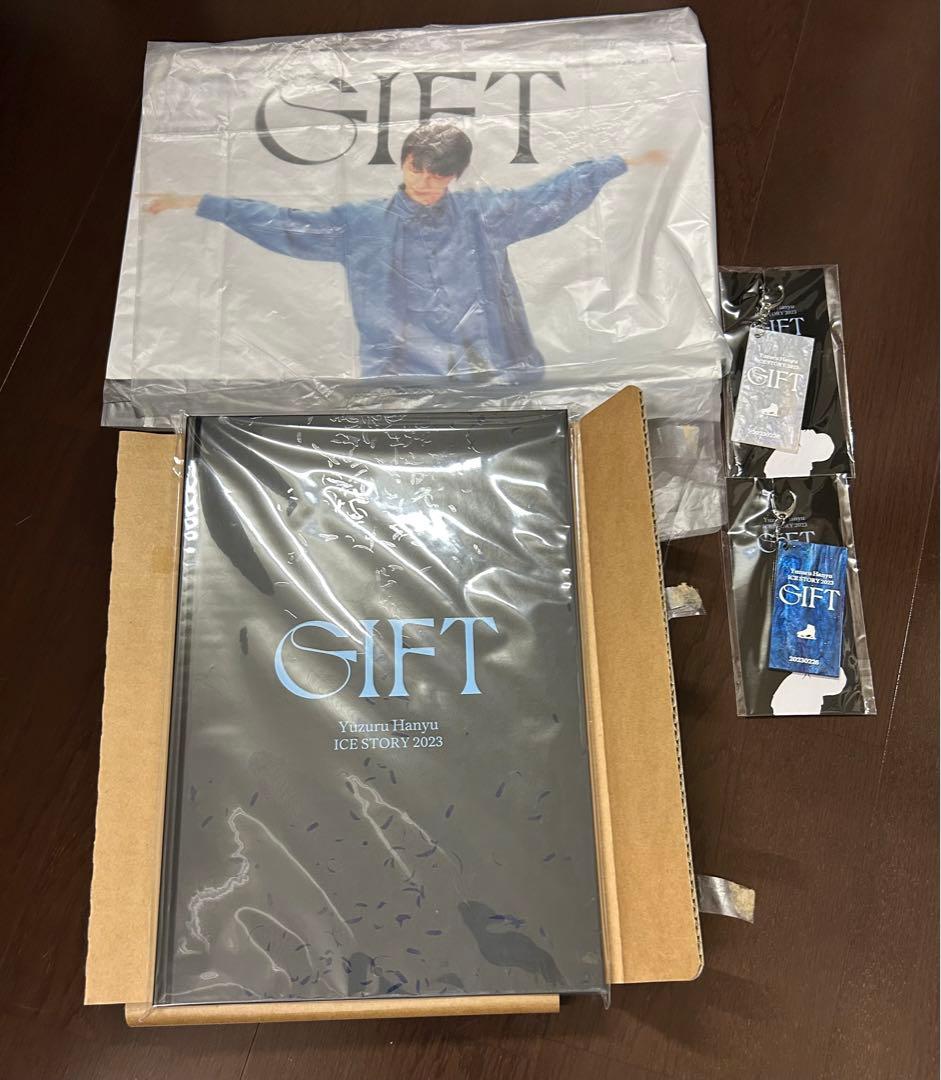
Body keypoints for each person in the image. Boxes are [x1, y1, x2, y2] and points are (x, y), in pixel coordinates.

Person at [146, 122, 665, 379]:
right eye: (418, 168)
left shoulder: (482, 214)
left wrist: (621, 162)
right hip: (403, 381)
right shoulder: (363, 224)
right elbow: (286, 225)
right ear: (403, 162)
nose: (425, 181)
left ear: (455, 176)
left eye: (440, 174)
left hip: (496, 373)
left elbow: (549, 197)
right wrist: (202, 202)